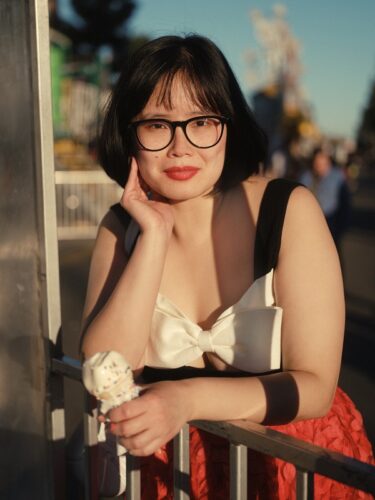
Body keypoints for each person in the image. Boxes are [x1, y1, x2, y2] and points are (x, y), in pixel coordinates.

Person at [80, 35, 374, 499]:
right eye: (158, 125)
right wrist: (153, 238)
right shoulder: (122, 227)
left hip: (286, 467)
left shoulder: (287, 210)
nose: (181, 147)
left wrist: (186, 399)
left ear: (228, 125)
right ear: (129, 133)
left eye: (201, 121)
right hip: (164, 470)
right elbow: (106, 366)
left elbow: (315, 388)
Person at [300, 147, 351, 249]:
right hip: (309, 228)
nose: (319, 166)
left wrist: (340, 228)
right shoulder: (306, 176)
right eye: (316, 163)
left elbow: (345, 204)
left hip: (331, 226)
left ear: (328, 162)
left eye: (322, 163)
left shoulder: (338, 177)